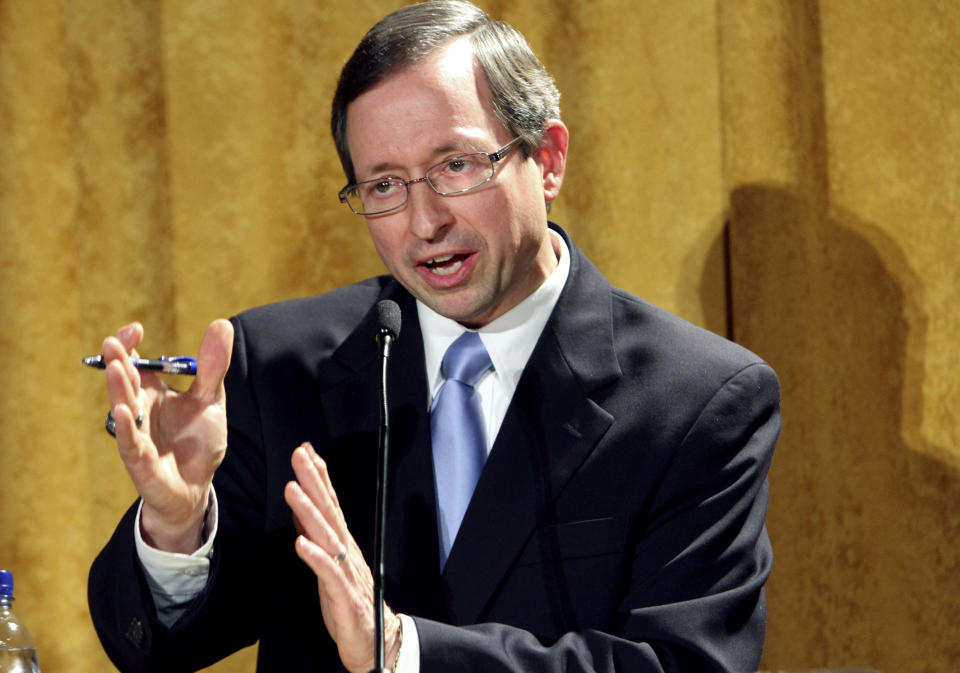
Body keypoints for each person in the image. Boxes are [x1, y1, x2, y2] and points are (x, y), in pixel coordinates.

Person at [88, 2, 780, 672]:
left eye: (455, 165)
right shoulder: (278, 366)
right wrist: (176, 526)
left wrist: (403, 651)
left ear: (548, 158)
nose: (424, 222)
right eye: (384, 184)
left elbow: (684, 662)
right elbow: (153, 648)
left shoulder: (698, 401)